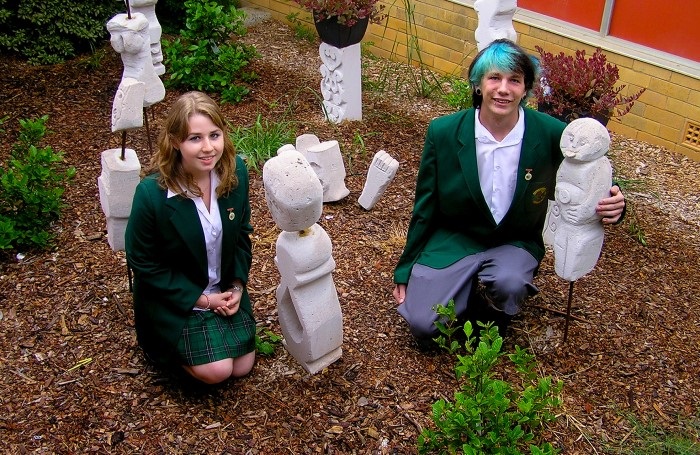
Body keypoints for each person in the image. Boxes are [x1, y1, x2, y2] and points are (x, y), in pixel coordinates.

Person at [392, 39, 625, 346]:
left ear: (526, 88)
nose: (504, 89)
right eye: (494, 78)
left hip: (514, 240)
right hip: (455, 238)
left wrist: (615, 204)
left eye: (514, 80)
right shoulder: (443, 133)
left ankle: (494, 306)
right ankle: (459, 289)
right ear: (478, 85)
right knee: (423, 328)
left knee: (509, 284)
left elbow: (587, 179)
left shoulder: (552, 134)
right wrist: (406, 267)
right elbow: (425, 206)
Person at [125, 91, 256, 384]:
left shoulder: (236, 175)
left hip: (221, 288)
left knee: (243, 365)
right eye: (195, 138)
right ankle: (165, 353)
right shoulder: (152, 195)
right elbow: (142, 263)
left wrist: (236, 286)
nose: (208, 148)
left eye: (214, 135)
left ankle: (208, 344)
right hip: (177, 297)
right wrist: (201, 300)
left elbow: (242, 237)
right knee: (218, 371)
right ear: (175, 142)